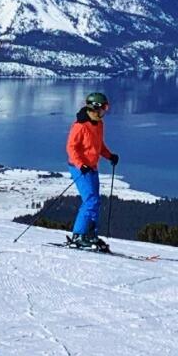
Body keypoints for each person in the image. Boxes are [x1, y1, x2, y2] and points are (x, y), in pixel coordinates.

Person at [64, 91, 118, 252]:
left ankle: (90, 234)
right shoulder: (79, 126)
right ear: (94, 108)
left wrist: (110, 156)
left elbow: (98, 145)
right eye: (103, 109)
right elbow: (71, 148)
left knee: (95, 201)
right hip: (79, 168)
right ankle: (79, 235)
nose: (104, 113)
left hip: (92, 167)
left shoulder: (99, 124)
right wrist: (81, 165)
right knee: (90, 200)